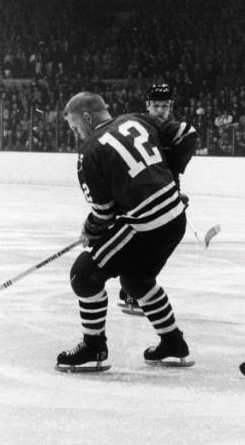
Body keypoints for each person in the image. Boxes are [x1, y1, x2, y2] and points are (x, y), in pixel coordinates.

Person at [56, 91, 197, 371]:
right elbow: (186, 132)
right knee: (137, 280)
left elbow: (104, 213)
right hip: (174, 219)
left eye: (74, 127)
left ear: (86, 117)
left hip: (146, 225)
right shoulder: (139, 120)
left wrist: (90, 230)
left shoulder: (90, 151)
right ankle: (173, 343)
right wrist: (169, 174)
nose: (75, 133)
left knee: (84, 274)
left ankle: (94, 347)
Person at [117, 83, 180, 313]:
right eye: (156, 105)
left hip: (161, 196)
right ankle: (132, 293)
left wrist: (174, 193)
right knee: (141, 247)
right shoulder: (138, 126)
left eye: (165, 105)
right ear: (147, 105)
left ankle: (131, 292)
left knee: (151, 248)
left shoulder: (174, 130)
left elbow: (173, 169)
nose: (161, 110)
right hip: (136, 195)